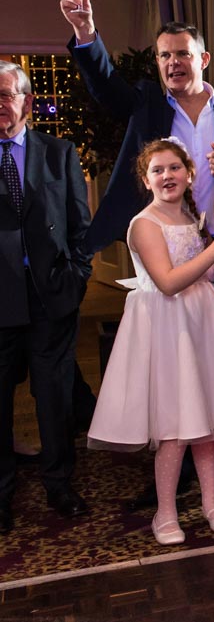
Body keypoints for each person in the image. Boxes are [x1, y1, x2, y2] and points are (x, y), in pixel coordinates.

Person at [87, 139, 214, 545]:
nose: (167, 176)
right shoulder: (144, 224)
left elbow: (211, 273)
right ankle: (165, 512)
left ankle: (211, 502)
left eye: (174, 168)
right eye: (157, 171)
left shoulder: (191, 216)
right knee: (174, 425)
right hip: (167, 329)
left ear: (190, 173)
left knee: (206, 419)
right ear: (146, 181)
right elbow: (168, 282)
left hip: (200, 323)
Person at [60, 0, 214, 252]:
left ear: (204, 60)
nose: (173, 62)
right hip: (165, 244)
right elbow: (105, 83)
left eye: (183, 54)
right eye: (165, 55)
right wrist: (84, 30)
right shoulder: (146, 106)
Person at [0, 61, 92, 532]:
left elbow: (80, 224)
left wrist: (76, 277)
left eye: (5, 95)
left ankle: (59, 484)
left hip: (51, 297)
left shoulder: (59, 152)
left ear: (27, 102)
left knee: (54, 398)